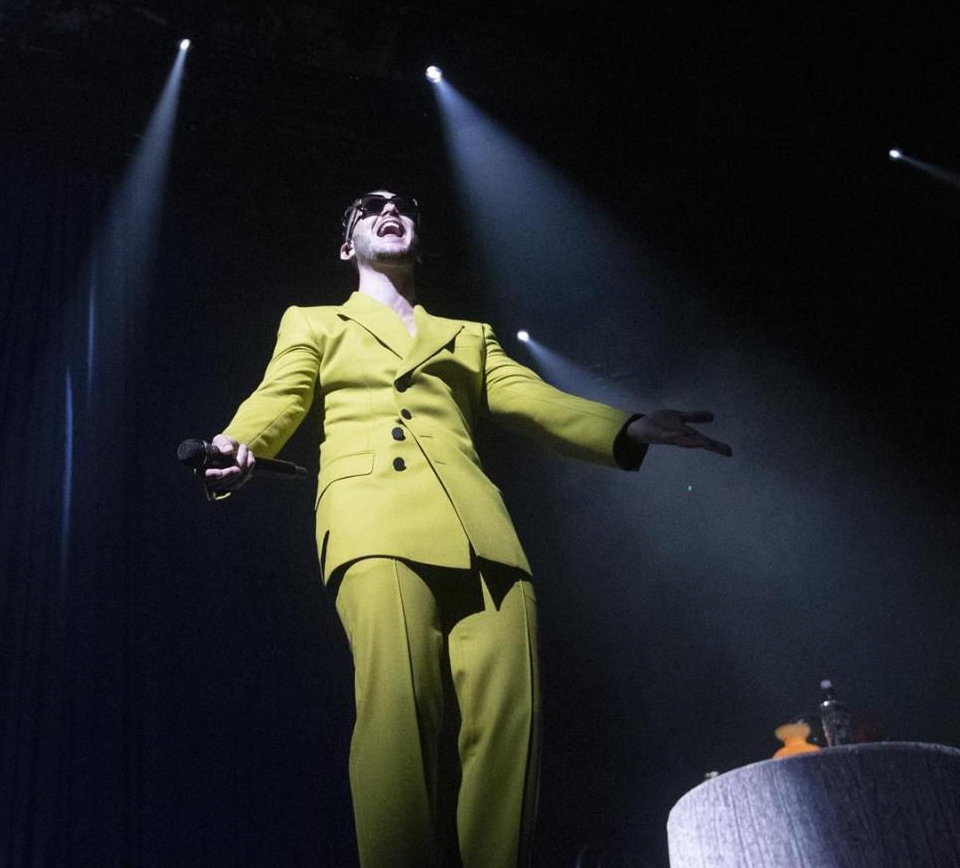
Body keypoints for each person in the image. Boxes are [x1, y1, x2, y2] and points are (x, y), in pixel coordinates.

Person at [204, 190, 731, 867]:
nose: (389, 209)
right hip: (374, 519)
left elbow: (534, 400)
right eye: (369, 207)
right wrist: (241, 443)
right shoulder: (315, 322)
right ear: (346, 246)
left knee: (513, 724)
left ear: (419, 240)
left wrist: (623, 426)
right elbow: (280, 395)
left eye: (403, 206)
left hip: (483, 534)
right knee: (399, 716)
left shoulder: (467, 334)